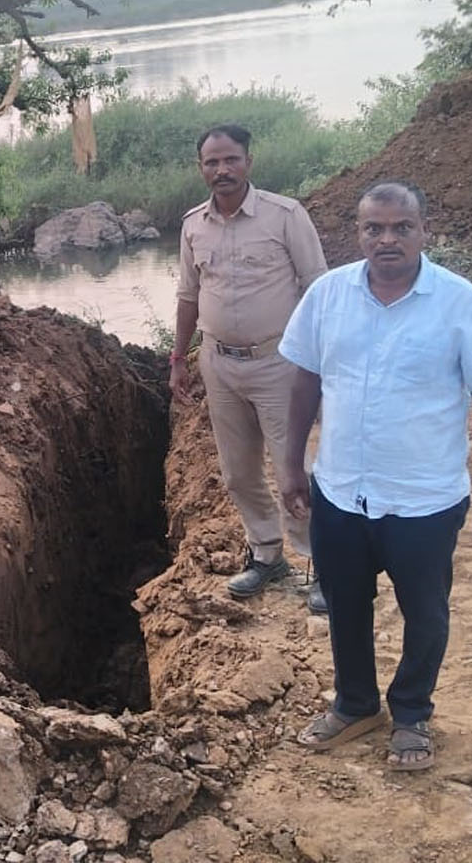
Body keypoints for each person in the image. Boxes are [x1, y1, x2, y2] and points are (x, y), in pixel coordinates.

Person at [277, 182, 472, 772]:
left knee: (427, 612)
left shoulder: (462, 304)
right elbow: (305, 382)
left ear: (423, 231)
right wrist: (290, 464)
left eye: (400, 227)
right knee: (345, 603)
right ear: (358, 234)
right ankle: (356, 704)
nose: (387, 239)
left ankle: (411, 714)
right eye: (374, 229)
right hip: (340, 490)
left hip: (425, 498)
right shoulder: (327, 296)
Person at [172, 124, 329, 610]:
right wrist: (179, 357)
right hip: (218, 363)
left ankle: (324, 565)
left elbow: (318, 287)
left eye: (230, 160)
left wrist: (322, 361)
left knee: (294, 471)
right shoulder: (193, 224)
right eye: (212, 163)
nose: (222, 170)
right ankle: (266, 555)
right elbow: (188, 296)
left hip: (279, 363)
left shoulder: (285, 216)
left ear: (248, 162)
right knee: (237, 472)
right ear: (201, 169)